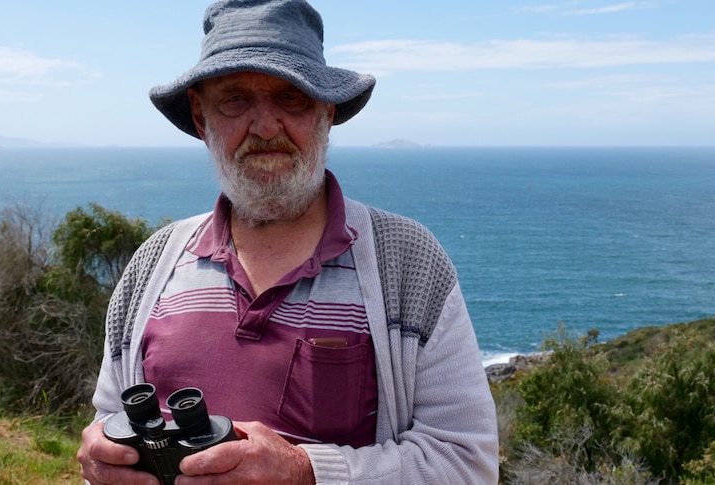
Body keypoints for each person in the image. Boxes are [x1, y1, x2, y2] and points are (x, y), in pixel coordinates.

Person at [76, 0, 499, 483]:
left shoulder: (407, 262)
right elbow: (109, 422)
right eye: (235, 99)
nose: (265, 126)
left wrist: (304, 472)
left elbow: (467, 465)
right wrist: (102, 462)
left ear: (327, 110)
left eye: (291, 97)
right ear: (200, 116)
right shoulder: (154, 263)